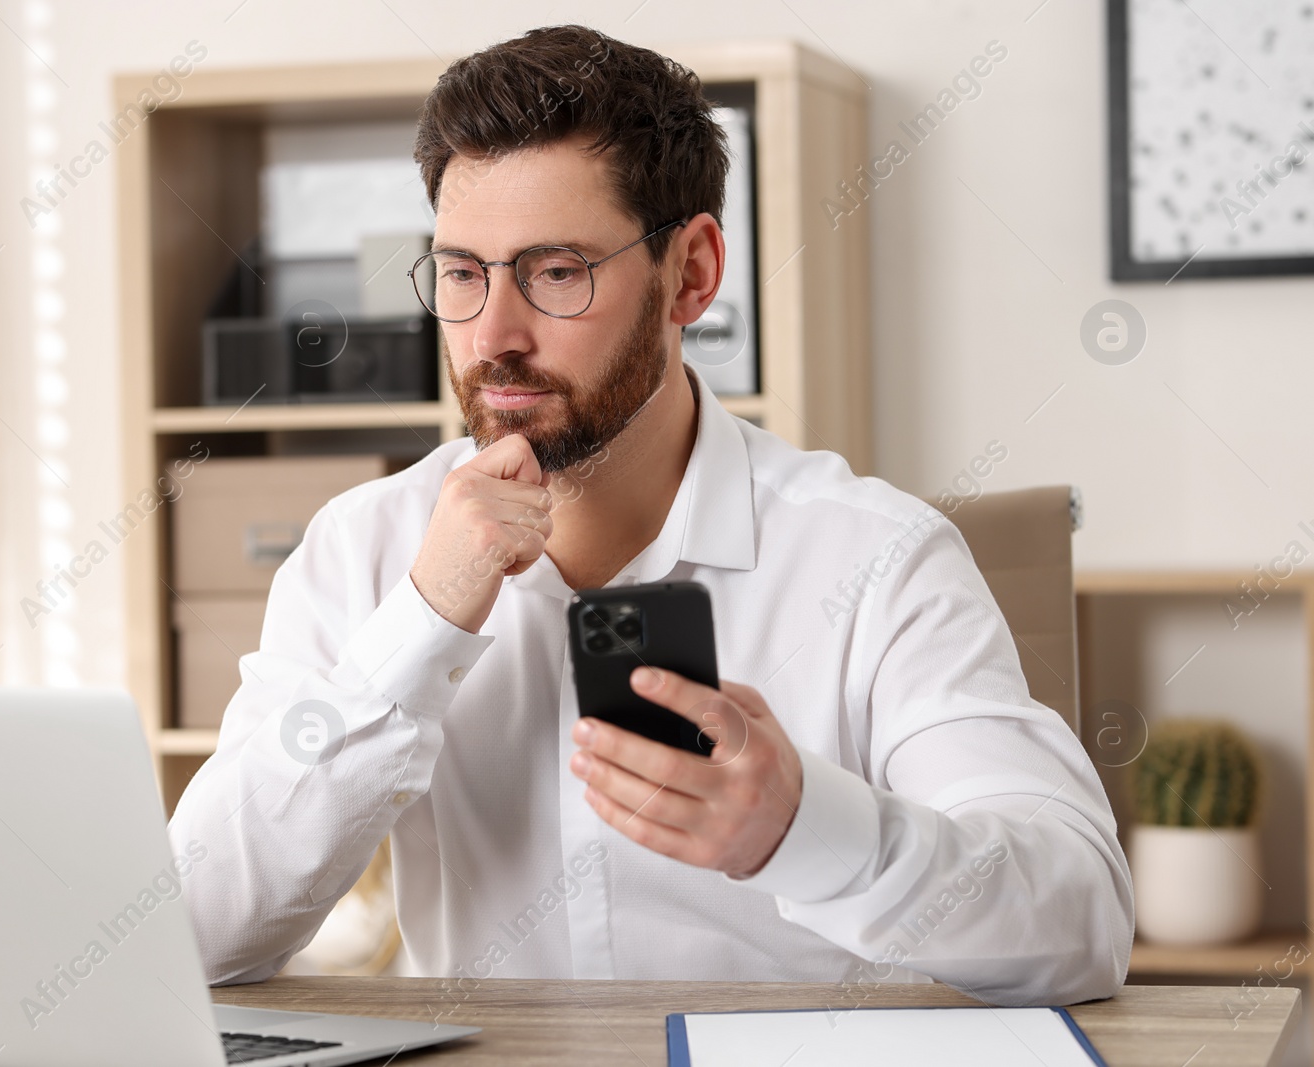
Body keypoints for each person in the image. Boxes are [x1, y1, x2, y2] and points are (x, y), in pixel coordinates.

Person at [168, 23, 1133, 1007]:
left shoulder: (876, 556)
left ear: (694, 274)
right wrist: (421, 621)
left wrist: (806, 829)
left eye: (555, 272)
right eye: (462, 273)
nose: (493, 336)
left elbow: (1080, 923)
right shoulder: (362, 549)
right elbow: (192, 933)